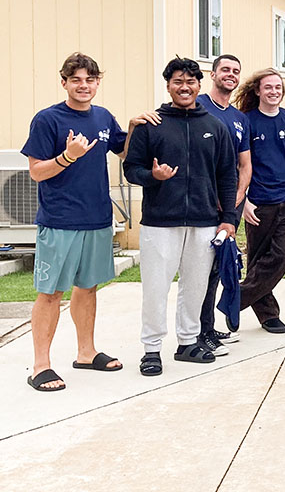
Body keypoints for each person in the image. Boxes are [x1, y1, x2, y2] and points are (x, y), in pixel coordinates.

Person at [22, 53, 156, 391]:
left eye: (90, 80)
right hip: (60, 221)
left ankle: (86, 352)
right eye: (77, 79)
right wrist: (68, 156)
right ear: (64, 82)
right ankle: (40, 366)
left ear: (97, 83)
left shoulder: (102, 117)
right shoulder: (47, 120)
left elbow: (124, 151)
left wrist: (134, 126)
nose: (84, 86)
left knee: (88, 287)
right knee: (51, 292)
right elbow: (37, 172)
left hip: (97, 218)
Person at [124, 57, 239, 376]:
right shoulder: (152, 124)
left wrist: (228, 219)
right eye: (178, 81)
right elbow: (131, 169)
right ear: (168, 86)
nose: (184, 87)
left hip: (204, 221)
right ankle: (151, 349)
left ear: (199, 85)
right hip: (160, 222)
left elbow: (228, 175)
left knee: (196, 285)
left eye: (190, 81)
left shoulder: (215, 127)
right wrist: (153, 176)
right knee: (156, 287)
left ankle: (188, 342)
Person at [236, 69, 285, 334]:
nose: (274, 91)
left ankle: (236, 299)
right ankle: (268, 316)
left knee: (281, 257)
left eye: (278, 87)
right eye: (268, 87)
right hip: (258, 203)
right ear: (257, 91)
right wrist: (244, 202)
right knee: (258, 260)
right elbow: (240, 164)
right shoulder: (246, 121)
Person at [195, 54, 251, 355]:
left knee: (219, 266)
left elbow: (245, 165)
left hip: (231, 207)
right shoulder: (198, 107)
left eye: (235, 71)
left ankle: (207, 326)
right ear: (213, 73)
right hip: (203, 204)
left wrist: (236, 200)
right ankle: (197, 331)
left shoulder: (240, 118)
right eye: (225, 70)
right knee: (200, 269)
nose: (230, 74)